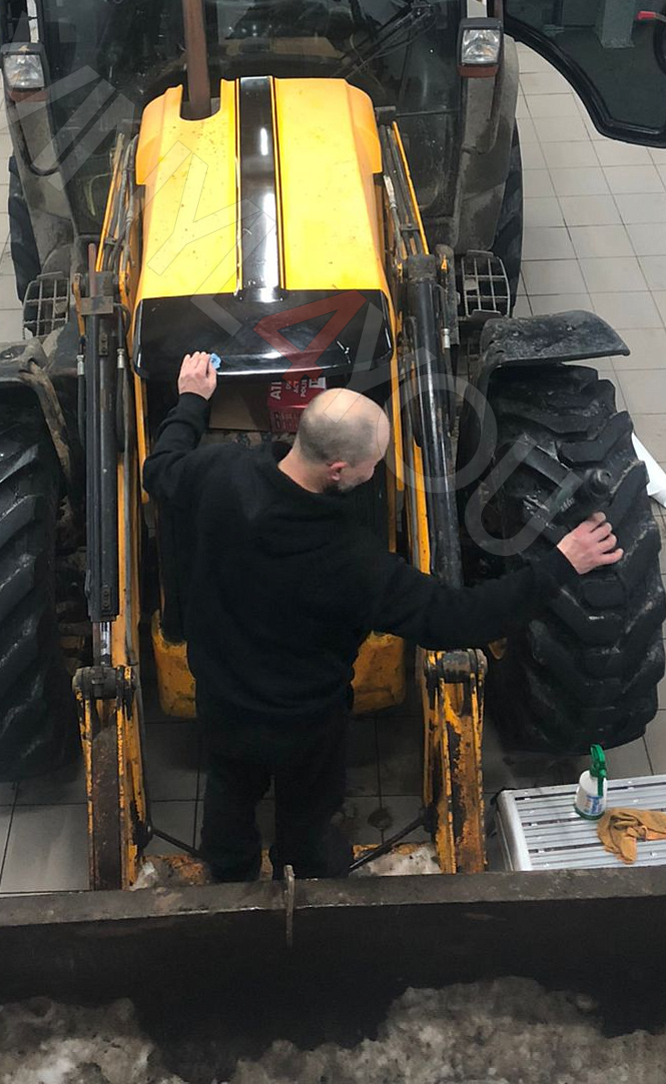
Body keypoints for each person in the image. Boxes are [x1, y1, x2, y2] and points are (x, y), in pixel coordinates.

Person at [143, 351, 624, 884]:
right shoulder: (352, 561)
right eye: (373, 463)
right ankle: (309, 878)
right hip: (306, 725)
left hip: (222, 703)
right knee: (308, 818)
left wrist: (192, 400)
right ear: (338, 469)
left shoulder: (218, 473)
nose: (377, 471)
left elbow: (159, 469)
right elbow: (455, 619)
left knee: (229, 794)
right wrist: (562, 563)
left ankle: (228, 877)